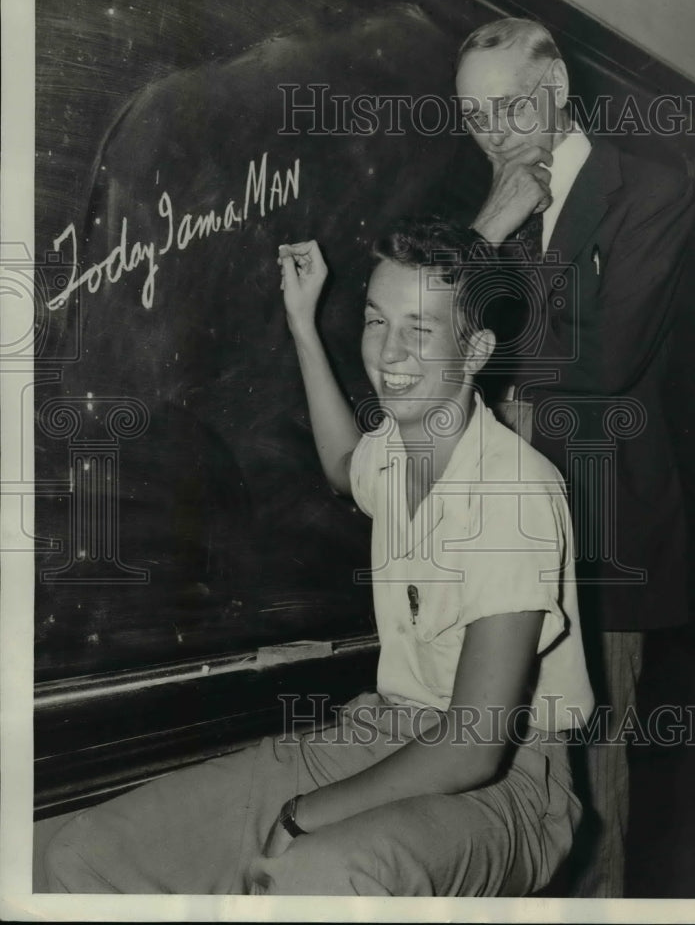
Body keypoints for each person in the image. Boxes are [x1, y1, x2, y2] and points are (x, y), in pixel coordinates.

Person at [44, 218, 594, 896]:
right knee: (88, 852)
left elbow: (475, 746)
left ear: (476, 349)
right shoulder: (401, 444)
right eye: (374, 320)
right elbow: (342, 465)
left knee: (318, 874)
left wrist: (304, 815)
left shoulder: (513, 492)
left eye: (418, 331)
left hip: (509, 780)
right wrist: (304, 324)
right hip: (383, 731)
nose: (388, 354)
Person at [454, 17, 695, 897]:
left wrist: (504, 382)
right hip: (490, 541)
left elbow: (605, 358)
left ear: (554, 90)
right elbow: (426, 345)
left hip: (602, 538)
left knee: (592, 791)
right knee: (499, 784)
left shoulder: (651, 190)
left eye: (507, 107)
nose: (490, 132)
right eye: (472, 116)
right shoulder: (491, 205)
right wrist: (487, 233)